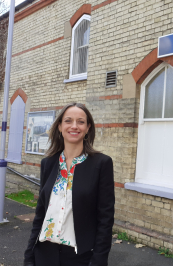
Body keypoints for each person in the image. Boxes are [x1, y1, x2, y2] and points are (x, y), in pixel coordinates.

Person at [24, 102, 115, 266]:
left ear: (88, 128)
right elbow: (41, 213)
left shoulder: (101, 164)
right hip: (44, 254)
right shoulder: (48, 163)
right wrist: (29, 255)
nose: (74, 126)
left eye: (80, 121)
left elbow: (105, 219)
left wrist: (99, 260)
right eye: (68, 121)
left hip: (79, 256)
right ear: (59, 126)